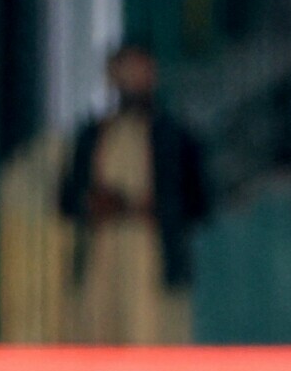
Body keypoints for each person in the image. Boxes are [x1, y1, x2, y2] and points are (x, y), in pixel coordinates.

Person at [59, 44, 210, 343]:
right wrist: (94, 203)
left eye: (138, 71)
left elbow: (198, 202)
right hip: (101, 260)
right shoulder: (94, 135)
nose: (131, 80)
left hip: (154, 261)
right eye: (124, 72)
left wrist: (155, 207)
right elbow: (67, 199)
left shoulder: (173, 135)